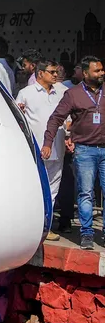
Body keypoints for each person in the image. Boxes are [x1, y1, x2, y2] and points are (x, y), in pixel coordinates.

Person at [43, 56, 105, 249]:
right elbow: (56, 119)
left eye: (102, 69)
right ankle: (87, 234)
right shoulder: (73, 94)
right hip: (84, 151)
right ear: (85, 74)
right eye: (97, 70)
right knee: (86, 193)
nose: (102, 73)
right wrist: (47, 143)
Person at [19, 60, 68, 239]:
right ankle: (34, 226)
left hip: (59, 145)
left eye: (56, 72)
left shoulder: (62, 92)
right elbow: (20, 120)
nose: (56, 75)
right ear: (40, 73)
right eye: (52, 72)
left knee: (53, 187)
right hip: (38, 147)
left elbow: (68, 118)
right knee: (38, 186)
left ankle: (46, 226)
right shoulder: (25, 93)